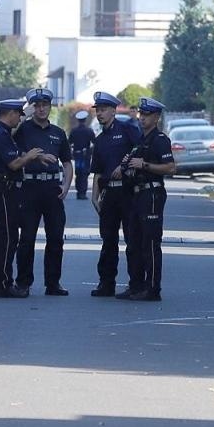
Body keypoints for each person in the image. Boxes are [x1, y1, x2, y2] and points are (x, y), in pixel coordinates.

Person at [14, 88, 71, 296]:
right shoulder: (23, 130)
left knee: (55, 237)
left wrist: (66, 185)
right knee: (27, 238)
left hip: (52, 188)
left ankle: (53, 283)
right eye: (36, 105)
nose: (41, 109)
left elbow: (66, 162)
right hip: (30, 186)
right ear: (32, 107)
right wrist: (23, 116)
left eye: (44, 105)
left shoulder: (58, 132)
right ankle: (23, 283)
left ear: (50, 106)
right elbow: (10, 145)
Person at [118, 97, 176, 302]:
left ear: (156, 117)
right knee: (133, 242)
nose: (143, 119)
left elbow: (170, 168)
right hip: (136, 194)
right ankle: (135, 285)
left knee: (150, 244)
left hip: (151, 194)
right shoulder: (141, 140)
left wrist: (144, 165)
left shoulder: (160, 140)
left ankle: (152, 289)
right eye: (141, 115)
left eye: (147, 115)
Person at [87, 91, 142, 297]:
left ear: (113, 110)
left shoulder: (127, 129)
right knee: (108, 239)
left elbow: (141, 147)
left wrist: (125, 164)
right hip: (109, 193)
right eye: (97, 110)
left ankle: (136, 283)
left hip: (128, 191)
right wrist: (95, 195)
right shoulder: (100, 139)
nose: (99, 114)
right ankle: (106, 283)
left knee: (132, 239)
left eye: (103, 110)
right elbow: (98, 170)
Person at [0, 98, 40, 298]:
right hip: (4, 190)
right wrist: (31, 156)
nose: (20, 119)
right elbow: (14, 164)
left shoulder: (4, 133)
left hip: (5, 189)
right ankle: (4, 284)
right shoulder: (0, 134)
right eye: (19, 115)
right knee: (8, 237)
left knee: (1, 236)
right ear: (10, 114)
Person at [68, 109, 94, 199]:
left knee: (78, 173)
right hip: (85, 155)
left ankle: (79, 192)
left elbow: (69, 143)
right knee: (84, 174)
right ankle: (83, 192)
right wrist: (90, 151)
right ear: (85, 119)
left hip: (77, 155)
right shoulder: (89, 131)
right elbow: (94, 143)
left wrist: (72, 152)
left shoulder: (74, 131)